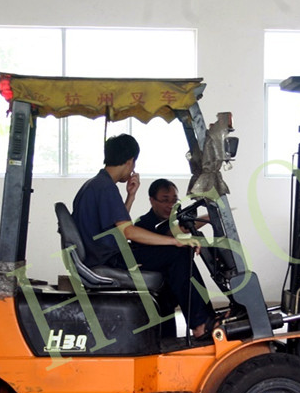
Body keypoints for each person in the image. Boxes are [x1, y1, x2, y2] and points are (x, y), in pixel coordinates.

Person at [72, 135, 215, 339]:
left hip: (104, 255)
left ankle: (183, 324)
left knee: (171, 256)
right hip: (110, 259)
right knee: (178, 253)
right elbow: (128, 231)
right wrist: (175, 240)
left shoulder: (95, 185)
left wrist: (130, 196)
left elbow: (116, 226)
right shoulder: (105, 187)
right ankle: (200, 325)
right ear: (130, 161)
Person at [132, 179, 211, 338]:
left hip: (168, 277)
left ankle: (206, 318)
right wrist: (206, 219)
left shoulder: (169, 222)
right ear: (152, 200)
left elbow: (178, 229)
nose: (170, 205)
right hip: (147, 272)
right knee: (181, 253)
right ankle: (200, 323)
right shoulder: (144, 223)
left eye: (174, 200)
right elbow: (173, 232)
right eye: (165, 200)